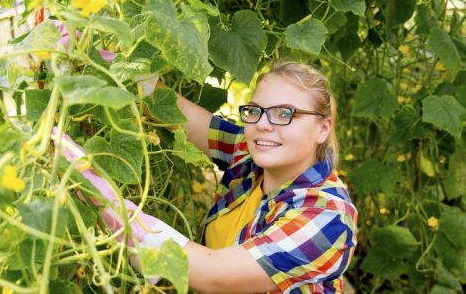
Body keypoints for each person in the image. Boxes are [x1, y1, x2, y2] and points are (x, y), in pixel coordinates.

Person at [56, 60, 358, 293]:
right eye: (255, 110)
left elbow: (214, 275)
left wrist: (88, 182)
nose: (264, 125)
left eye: (284, 113)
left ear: (323, 128)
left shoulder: (328, 217)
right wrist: (109, 58)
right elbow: (170, 109)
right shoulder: (251, 155)